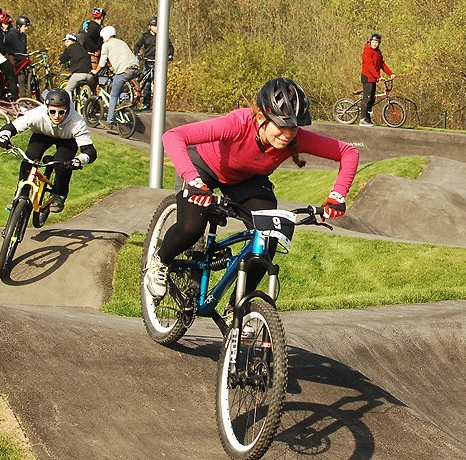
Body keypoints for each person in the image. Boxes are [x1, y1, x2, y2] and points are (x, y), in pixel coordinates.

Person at [143, 77, 360, 303]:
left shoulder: (295, 139)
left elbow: (349, 152)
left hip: (247, 179)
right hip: (204, 168)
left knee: (268, 238)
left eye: (293, 127)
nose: (287, 135)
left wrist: (337, 196)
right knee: (191, 228)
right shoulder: (237, 124)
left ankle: (238, 306)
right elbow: (174, 136)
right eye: (282, 125)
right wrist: (194, 180)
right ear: (260, 117)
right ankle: (159, 262)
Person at [0, 88, 97, 213]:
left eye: (61, 112)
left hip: (67, 140)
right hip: (42, 134)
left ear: (68, 109)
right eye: (52, 111)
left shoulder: (77, 122)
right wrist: (3, 136)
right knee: (30, 157)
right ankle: (21, 194)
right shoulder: (37, 114)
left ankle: (59, 195)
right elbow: (12, 127)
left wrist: (79, 160)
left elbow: (90, 151)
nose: (56, 116)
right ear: (46, 108)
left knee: (62, 165)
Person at [92, 25, 138, 134]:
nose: (103, 39)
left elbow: (102, 62)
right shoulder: (121, 42)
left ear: (106, 36)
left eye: (103, 37)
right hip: (134, 68)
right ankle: (125, 100)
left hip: (124, 70)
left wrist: (96, 71)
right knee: (119, 84)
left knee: (113, 94)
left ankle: (110, 120)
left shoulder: (106, 45)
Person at [133, 16, 174, 110]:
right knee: (146, 83)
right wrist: (137, 53)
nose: (156, 27)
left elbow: (170, 47)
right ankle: (146, 103)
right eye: (154, 25)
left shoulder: (163, 36)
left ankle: (158, 105)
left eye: (157, 25)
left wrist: (170, 55)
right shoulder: (145, 36)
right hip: (148, 61)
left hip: (159, 62)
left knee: (158, 83)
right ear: (149, 26)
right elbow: (137, 45)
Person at [360, 33, 394, 127]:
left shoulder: (378, 52)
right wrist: (379, 76)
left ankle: (368, 118)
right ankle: (363, 119)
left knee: (372, 99)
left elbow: (382, 64)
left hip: (374, 78)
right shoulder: (367, 52)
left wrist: (390, 73)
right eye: (374, 42)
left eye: (377, 42)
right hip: (367, 77)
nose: (375, 44)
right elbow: (370, 66)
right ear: (370, 41)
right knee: (367, 98)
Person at [58, 32, 93, 101]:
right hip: (89, 75)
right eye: (65, 42)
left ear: (73, 41)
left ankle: (70, 108)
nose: (66, 43)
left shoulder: (71, 48)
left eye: (67, 41)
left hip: (79, 74)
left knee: (68, 90)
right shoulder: (82, 48)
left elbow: (64, 57)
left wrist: (60, 61)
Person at [4, 15, 31, 96]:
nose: (26, 29)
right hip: (13, 59)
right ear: (19, 26)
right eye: (25, 26)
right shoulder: (11, 34)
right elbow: (3, 45)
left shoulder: (24, 36)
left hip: (21, 60)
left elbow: (23, 50)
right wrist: (9, 54)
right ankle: (22, 98)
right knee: (21, 77)